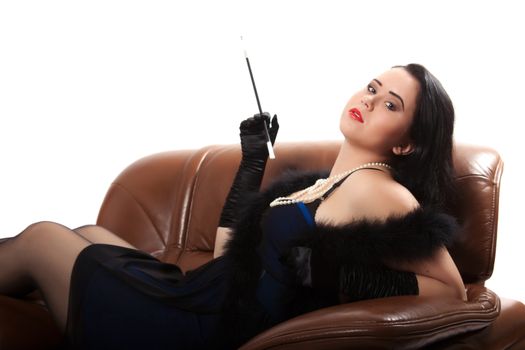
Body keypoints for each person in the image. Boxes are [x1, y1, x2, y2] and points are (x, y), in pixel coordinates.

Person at [0, 63, 466, 349]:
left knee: (43, 238)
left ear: (406, 145)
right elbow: (232, 258)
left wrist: (326, 275)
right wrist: (252, 163)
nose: (369, 100)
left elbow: (451, 292)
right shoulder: (325, 183)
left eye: (391, 104)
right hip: (200, 293)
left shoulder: (378, 190)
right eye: (371, 86)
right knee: (86, 233)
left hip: (201, 329)